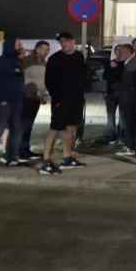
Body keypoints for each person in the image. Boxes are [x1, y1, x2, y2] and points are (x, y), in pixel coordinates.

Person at [40, 32, 87, 174]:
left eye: (66, 41)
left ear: (73, 41)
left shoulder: (79, 56)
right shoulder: (55, 59)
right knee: (54, 128)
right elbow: (49, 82)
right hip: (61, 101)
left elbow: (83, 75)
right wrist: (57, 99)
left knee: (71, 129)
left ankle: (67, 158)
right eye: (61, 42)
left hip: (76, 100)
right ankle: (46, 160)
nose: (64, 44)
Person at [0, 38, 25, 172]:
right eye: (18, 44)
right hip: (3, 104)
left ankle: (12, 158)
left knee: (17, 130)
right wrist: (1, 99)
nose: (21, 47)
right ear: (10, 46)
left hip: (16, 103)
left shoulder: (17, 62)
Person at [18, 40, 50, 161]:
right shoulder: (26, 61)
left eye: (47, 49)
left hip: (36, 98)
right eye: (44, 49)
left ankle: (25, 150)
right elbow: (19, 77)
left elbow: (42, 81)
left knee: (29, 125)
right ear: (37, 49)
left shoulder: (44, 62)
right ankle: (19, 151)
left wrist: (42, 95)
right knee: (24, 125)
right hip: (25, 98)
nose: (46, 51)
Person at [114, 44, 136, 155]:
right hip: (126, 99)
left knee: (130, 123)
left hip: (130, 99)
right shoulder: (126, 63)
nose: (120, 53)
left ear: (130, 52)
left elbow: (131, 84)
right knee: (129, 123)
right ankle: (131, 145)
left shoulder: (133, 63)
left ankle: (131, 146)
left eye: (123, 51)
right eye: (119, 51)